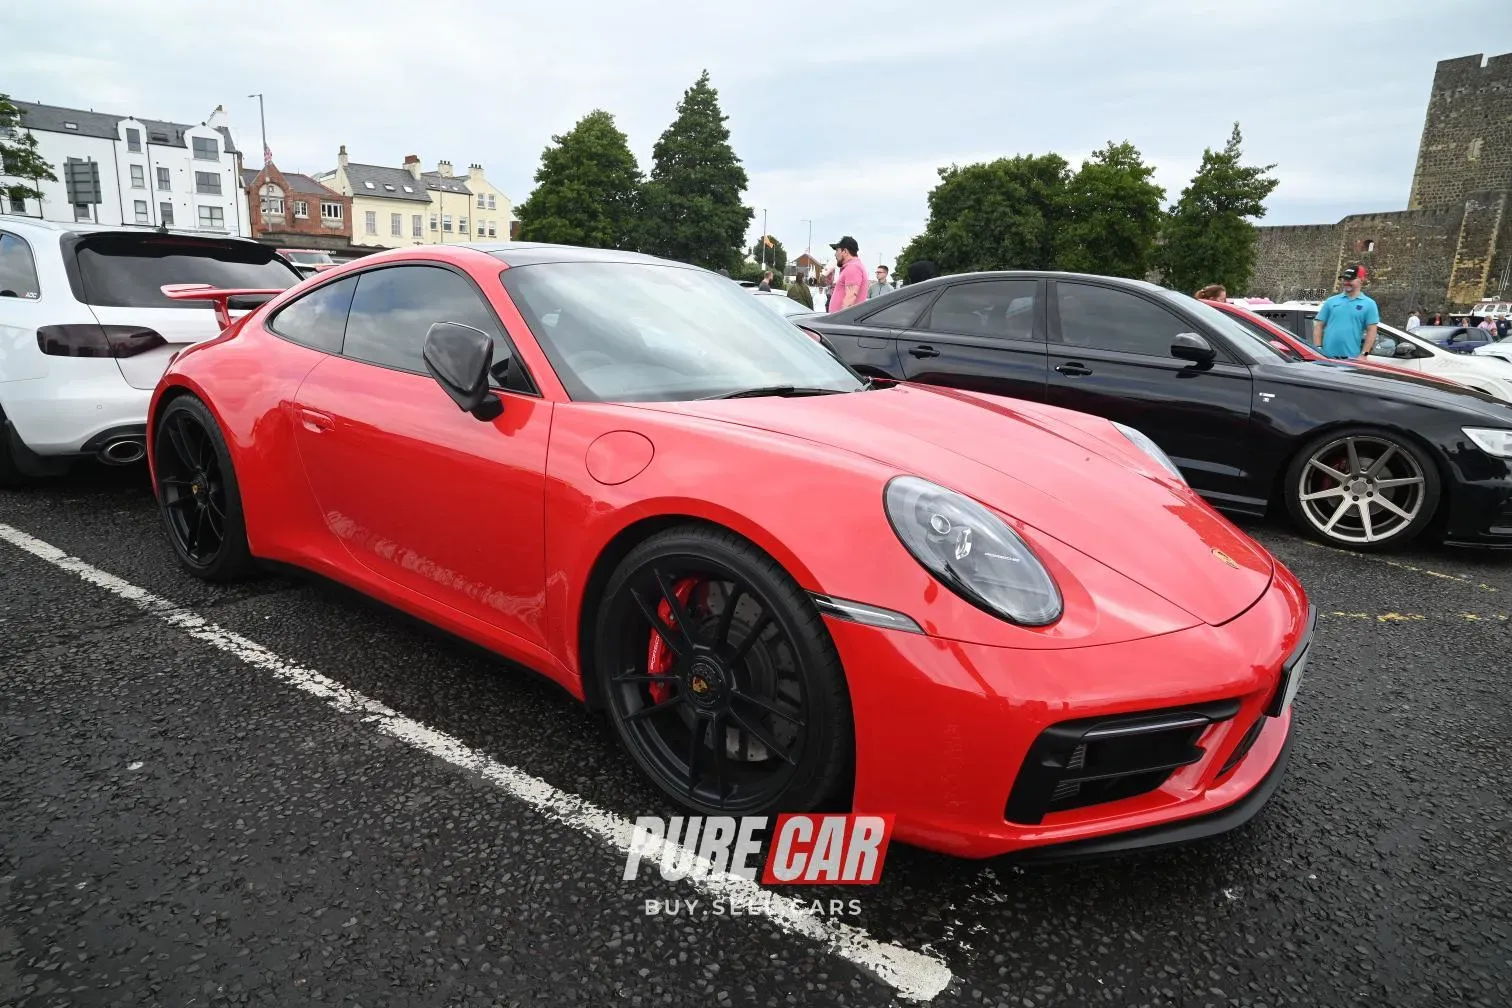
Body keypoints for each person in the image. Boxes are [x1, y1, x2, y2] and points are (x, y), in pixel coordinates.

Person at [1312, 265, 1379, 360]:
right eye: (1345, 279)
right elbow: (1318, 325)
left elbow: (1372, 331)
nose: (1346, 282)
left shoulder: (1369, 304)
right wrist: (1318, 349)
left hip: (1351, 359)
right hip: (1327, 358)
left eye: (1350, 279)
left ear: (1362, 279)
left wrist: (1364, 354)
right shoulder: (1331, 301)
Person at [827, 236, 868, 312]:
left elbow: (850, 297)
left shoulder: (853, 267)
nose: (835, 255)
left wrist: (839, 318)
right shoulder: (853, 266)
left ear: (845, 251)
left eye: (837, 251)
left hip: (840, 321)